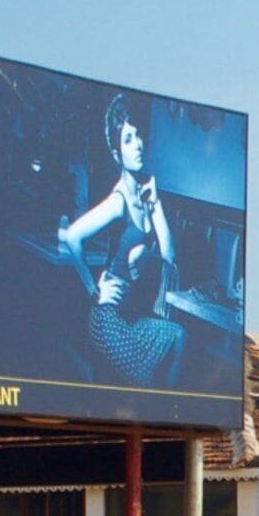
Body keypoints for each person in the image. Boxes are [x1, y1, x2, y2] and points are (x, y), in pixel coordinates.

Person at [50, 93, 183, 387]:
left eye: (139, 137)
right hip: (106, 319)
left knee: (179, 335)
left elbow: (169, 255)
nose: (137, 145)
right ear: (115, 152)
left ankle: (169, 412)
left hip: (132, 316)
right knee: (144, 379)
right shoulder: (119, 200)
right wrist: (93, 291)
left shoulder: (146, 195)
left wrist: (156, 202)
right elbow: (72, 236)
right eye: (127, 139)